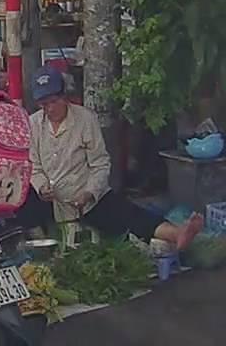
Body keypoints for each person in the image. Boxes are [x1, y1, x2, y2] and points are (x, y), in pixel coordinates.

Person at [19, 67, 204, 250]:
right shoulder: (33, 123)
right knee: (21, 199)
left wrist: (89, 192)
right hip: (52, 200)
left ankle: (176, 233)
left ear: (64, 96)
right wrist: (42, 187)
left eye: (54, 101)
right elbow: (33, 165)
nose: (50, 109)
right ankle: (39, 246)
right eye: (44, 104)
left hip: (84, 197)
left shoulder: (85, 119)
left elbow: (100, 164)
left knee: (126, 214)